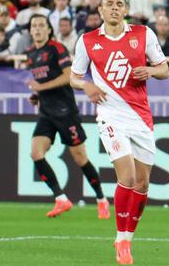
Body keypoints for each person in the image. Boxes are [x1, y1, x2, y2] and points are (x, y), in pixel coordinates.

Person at [70, 0, 169, 266]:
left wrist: (149, 71)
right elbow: (74, 78)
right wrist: (87, 85)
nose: (114, 8)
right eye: (109, 4)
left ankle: (128, 236)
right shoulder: (88, 41)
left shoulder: (143, 34)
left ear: (125, 9)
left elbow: (164, 69)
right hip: (110, 116)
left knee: (143, 182)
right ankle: (120, 239)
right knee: (126, 176)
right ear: (100, 10)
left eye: (119, 4)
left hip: (140, 117)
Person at [24, 14, 108, 219]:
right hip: (46, 112)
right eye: (34, 26)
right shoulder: (30, 53)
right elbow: (44, 81)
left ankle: (101, 199)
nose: (37, 29)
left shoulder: (56, 48)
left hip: (65, 111)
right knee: (36, 153)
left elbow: (68, 76)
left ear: (48, 29)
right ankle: (61, 199)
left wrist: (41, 87)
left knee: (80, 158)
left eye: (41, 25)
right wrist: (38, 95)